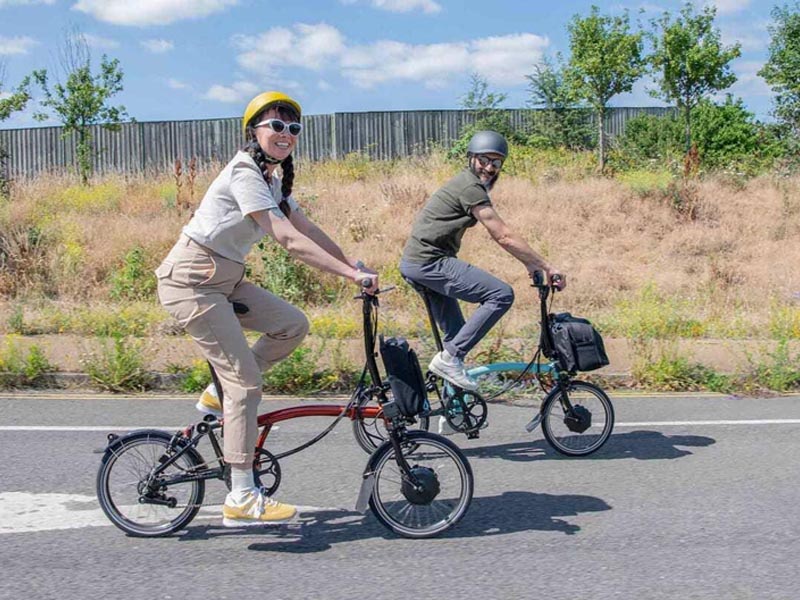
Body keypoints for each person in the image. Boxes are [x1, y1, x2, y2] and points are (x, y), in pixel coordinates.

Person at [155, 91, 378, 527]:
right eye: (275, 125)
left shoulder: (272, 179)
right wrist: (350, 278)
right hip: (191, 282)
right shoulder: (243, 172)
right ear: (254, 131)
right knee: (245, 382)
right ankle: (241, 496)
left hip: (225, 280)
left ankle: (217, 396)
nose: (285, 134)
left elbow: (305, 228)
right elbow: (288, 240)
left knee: (291, 325)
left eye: (293, 128)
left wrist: (352, 264)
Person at [400, 130, 565, 431]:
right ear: (472, 158)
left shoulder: (470, 185)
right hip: (428, 262)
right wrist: (542, 264)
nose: (490, 168)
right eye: (485, 160)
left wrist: (530, 264)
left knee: (456, 333)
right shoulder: (470, 187)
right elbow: (501, 233)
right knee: (501, 295)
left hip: (419, 263)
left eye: (497, 163)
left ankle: (452, 410)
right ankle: (449, 361)